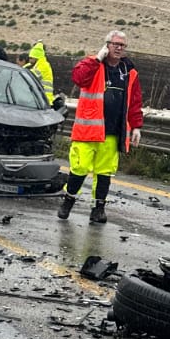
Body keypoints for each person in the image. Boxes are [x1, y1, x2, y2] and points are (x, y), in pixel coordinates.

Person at [57, 30, 143, 224]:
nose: (119, 48)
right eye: (115, 44)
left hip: (112, 133)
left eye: (122, 45)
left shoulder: (129, 72)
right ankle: (68, 201)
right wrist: (97, 59)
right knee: (79, 168)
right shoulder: (92, 64)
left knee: (104, 172)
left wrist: (136, 126)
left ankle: (98, 209)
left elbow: (135, 101)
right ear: (107, 45)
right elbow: (79, 78)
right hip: (87, 131)